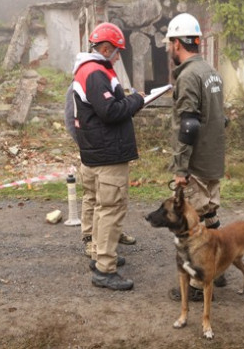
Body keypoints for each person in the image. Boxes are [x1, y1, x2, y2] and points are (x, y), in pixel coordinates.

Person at [71, 22, 144, 291]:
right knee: (111, 209)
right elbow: (110, 111)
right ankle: (105, 269)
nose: (117, 57)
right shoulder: (95, 73)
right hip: (107, 155)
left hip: (95, 152)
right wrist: (137, 100)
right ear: (105, 48)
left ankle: (101, 254)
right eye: (116, 52)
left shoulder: (87, 70)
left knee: (101, 206)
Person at [163, 13, 227, 301]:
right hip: (213, 158)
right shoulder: (211, 72)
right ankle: (218, 269)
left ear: (177, 43)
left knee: (195, 218)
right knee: (211, 213)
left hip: (197, 161)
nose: (169, 49)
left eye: (170, 44)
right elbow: (219, 118)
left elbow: (188, 125)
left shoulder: (188, 75)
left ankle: (201, 283)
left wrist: (180, 168)